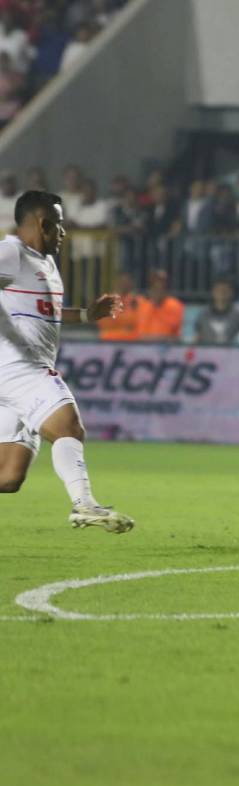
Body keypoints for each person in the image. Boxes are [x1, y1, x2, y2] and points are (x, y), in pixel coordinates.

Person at [0, 190, 132, 532]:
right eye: (59, 225)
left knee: (8, 476)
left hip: (14, 377)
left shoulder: (45, 263)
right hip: (19, 367)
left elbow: (49, 313)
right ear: (42, 224)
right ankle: (84, 504)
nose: (63, 233)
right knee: (69, 427)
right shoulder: (12, 252)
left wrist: (88, 314)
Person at [194, 275, 239, 345]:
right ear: (213, 292)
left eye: (225, 290)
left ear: (232, 292)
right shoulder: (203, 313)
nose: (221, 293)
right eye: (218, 289)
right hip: (209, 353)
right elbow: (197, 337)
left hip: (235, 353)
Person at [136, 269, 184, 342]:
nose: (158, 286)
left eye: (161, 283)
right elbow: (139, 335)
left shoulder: (174, 305)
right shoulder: (143, 305)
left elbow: (173, 335)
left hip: (168, 348)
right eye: (154, 284)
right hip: (143, 348)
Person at [96, 271, 141, 341]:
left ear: (131, 283)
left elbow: (138, 323)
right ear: (115, 282)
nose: (124, 284)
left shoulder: (137, 301)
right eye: (122, 281)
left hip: (131, 343)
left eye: (126, 281)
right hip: (109, 342)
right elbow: (104, 325)